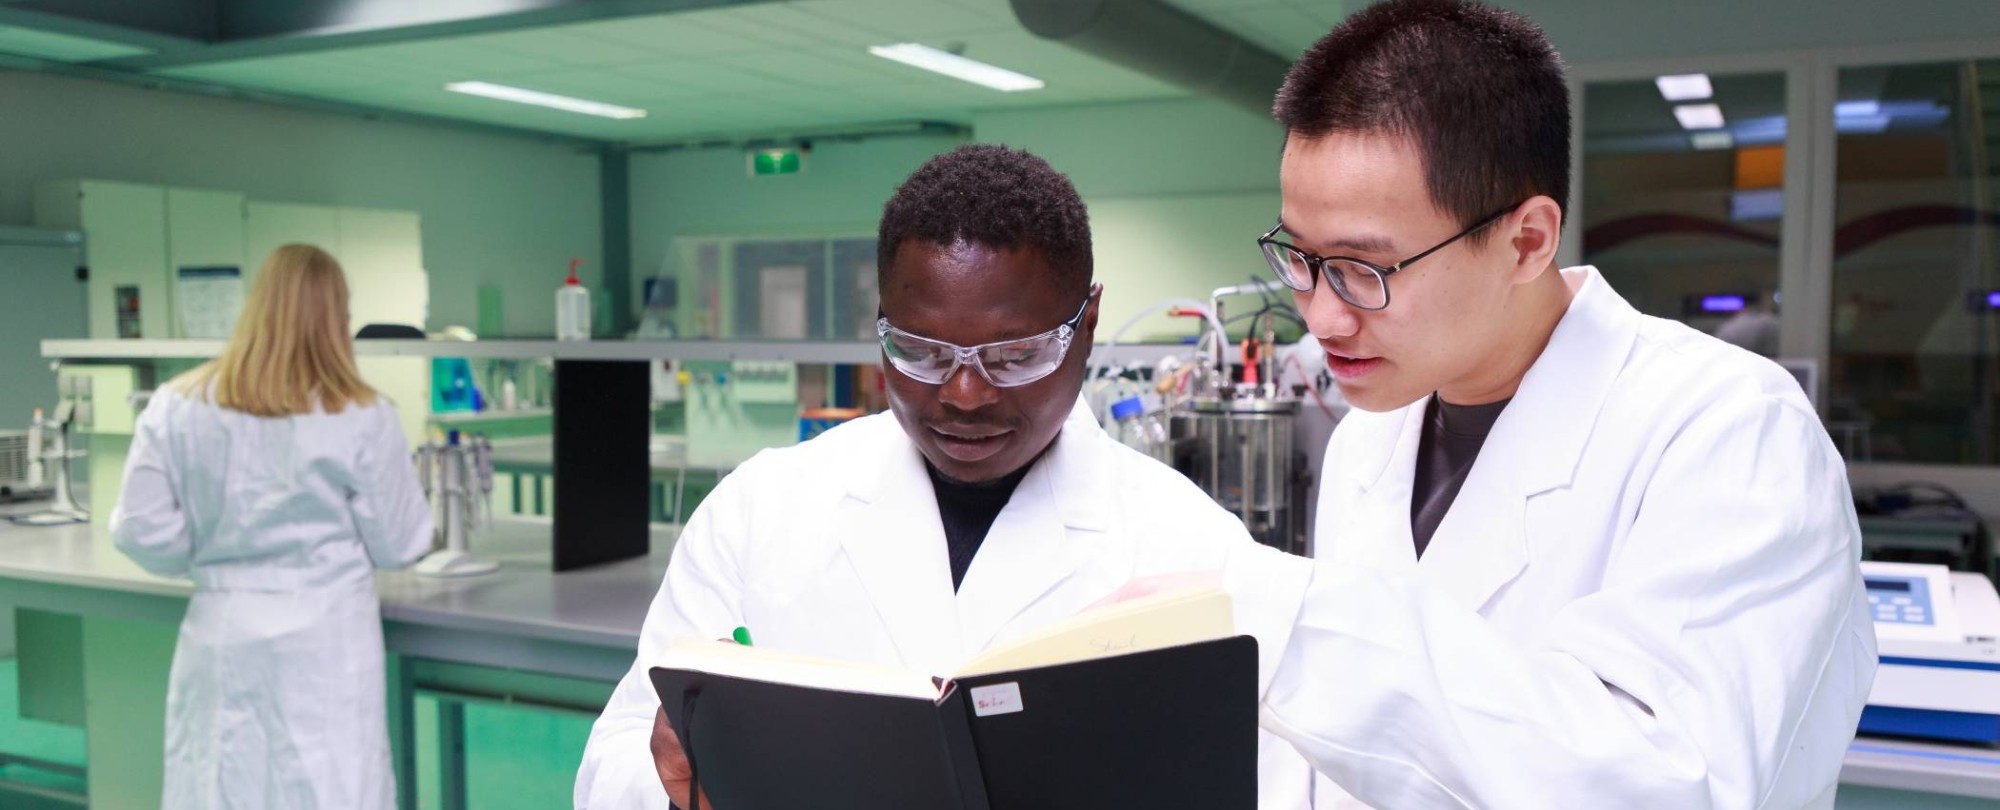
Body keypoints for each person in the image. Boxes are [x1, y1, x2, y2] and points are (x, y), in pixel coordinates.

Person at [1111, 1, 1877, 807]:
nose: (1322, 316)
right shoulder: (1370, 439)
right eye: (1298, 256)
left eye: (1365, 269)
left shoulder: (1728, 432)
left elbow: (1663, 783)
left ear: (1527, 241)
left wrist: (1282, 618)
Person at [574, 144, 1324, 809]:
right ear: (882, 320)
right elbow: (615, 759)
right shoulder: (762, 508)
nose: (964, 396)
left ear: (1087, 323)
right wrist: (679, 791)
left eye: (1013, 355)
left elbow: (1281, 789)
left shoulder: (1194, 552)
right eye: (923, 352)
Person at [111, 244, 434, 810]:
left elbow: (139, 530)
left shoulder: (177, 405)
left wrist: (210, 555)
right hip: (325, 642)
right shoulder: (359, 415)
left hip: (220, 633)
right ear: (336, 318)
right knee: (329, 789)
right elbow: (400, 543)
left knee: (218, 787)